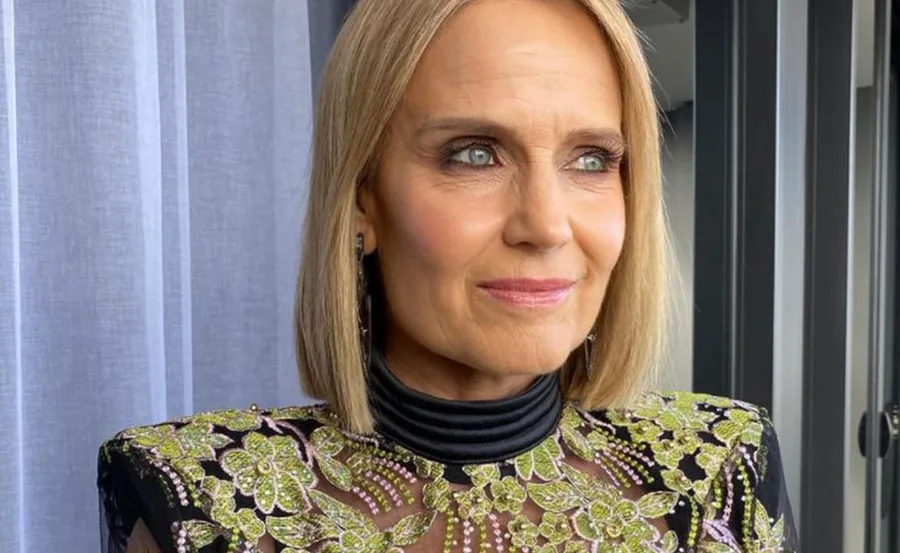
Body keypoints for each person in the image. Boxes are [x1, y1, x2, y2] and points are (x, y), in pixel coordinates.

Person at [98, 0, 799, 551]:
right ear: (362, 198)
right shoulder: (202, 496)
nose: (548, 225)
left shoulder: (714, 468)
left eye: (591, 160)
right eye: (474, 153)